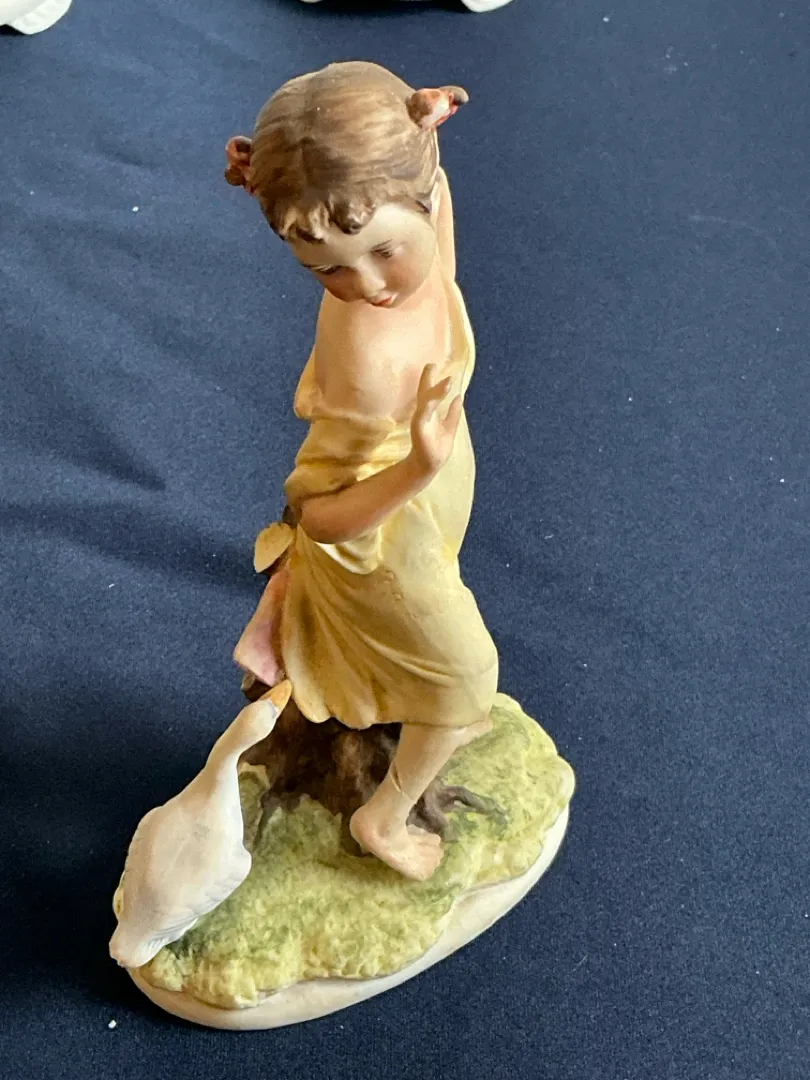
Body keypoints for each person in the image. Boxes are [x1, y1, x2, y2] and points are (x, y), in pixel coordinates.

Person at [225, 61, 498, 881]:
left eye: (384, 250)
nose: (369, 285)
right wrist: (419, 465)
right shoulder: (366, 369)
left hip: (424, 514)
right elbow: (320, 518)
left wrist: (419, 125)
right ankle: (383, 819)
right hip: (377, 547)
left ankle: (426, 715)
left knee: (448, 682)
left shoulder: (425, 207)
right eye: (328, 269)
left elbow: (432, 193)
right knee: (469, 679)